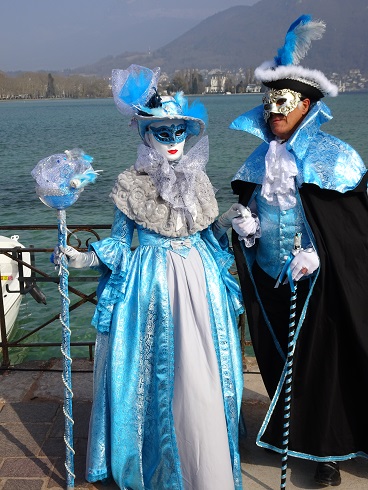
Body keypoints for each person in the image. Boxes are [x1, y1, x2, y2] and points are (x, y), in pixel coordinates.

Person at [58, 64, 244, 489]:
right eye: (163, 132)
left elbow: (211, 236)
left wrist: (235, 226)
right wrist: (83, 259)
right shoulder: (129, 184)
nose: (174, 140)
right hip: (153, 287)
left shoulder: (199, 183)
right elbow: (121, 244)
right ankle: (159, 461)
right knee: (162, 373)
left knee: (203, 374)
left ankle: (207, 457)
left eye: (179, 131)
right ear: (145, 134)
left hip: (201, 287)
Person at [228, 15, 368, 488]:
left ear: (307, 105)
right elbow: (253, 207)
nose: (274, 112)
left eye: (284, 103)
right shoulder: (255, 160)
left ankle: (327, 451)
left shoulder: (337, 158)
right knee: (286, 366)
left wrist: (320, 256)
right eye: (269, 104)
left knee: (323, 367)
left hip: (319, 286)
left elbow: (351, 232)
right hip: (271, 281)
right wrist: (246, 233)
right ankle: (297, 440)